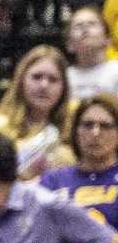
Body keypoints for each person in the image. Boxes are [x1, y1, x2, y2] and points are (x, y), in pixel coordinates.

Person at [0, 45, 77, 183]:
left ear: (64, 88)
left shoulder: (75, 129)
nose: (44, 85)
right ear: (21, 81)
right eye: (36, 77)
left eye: (53, 79)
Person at [43, 95, 118, 234]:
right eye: (88, 125)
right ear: (76, 131)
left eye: (105, 126)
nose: (95, 133)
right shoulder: (53, 181)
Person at [68, 9, 118, 105]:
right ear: (70, 44)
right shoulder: (64, 77)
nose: (85, 28)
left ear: (107, 40)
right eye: (78, 25)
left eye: (92, 24)